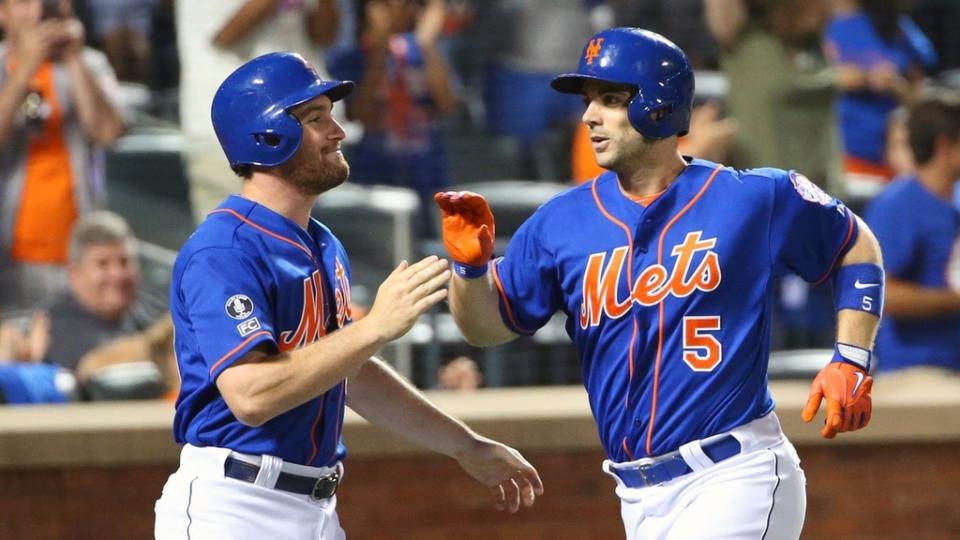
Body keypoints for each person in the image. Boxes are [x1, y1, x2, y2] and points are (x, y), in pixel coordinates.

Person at [435, 28, 882, 538]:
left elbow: (854, 243)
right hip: (637, 495)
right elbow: (486, 329)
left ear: (659, 103)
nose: (588, 116)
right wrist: (469, 271)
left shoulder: (752, 197)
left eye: (610, 99)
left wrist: (851, 356)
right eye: (588, 102)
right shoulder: (560, 222)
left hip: (735, 475)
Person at [154, 52, 543, 539]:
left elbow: (348, 371)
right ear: (269, 134)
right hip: (233, 505)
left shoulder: (321, 242)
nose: (337, 132)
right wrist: (376, 326)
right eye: (316, 119)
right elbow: (251, 395)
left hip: (313, 506)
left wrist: (465, 445)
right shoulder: (224, 249)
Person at [0, 0, 127, 314]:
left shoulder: (90, 64)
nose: (39, 12)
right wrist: (25, 68)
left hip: (79, 255)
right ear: (3, 13)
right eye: (25, 2)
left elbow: (108, 133)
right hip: (8, 251)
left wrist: (73, 58)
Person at [176, 0, 343, 224]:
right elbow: (226, 34)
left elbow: (325, 35)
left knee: (307, 243)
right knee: (233, 242)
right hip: (227, 139)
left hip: (306, 130)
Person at [328, 0, 458, 237]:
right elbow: (357, 113)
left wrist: (425, 46)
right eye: (385, 4)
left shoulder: (423, 54)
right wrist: (380, 51)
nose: (396, 11)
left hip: (427, 171)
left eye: (407, 4)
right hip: (373, 173)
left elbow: (447, 104)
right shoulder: (351, 58)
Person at [863, 91, 960, 375]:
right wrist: (955, 301)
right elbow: (883, 294)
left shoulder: (953, 199)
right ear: (945, 146)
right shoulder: (897, 205)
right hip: (915, 369)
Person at [826, 0, 938, 199]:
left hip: (899, 158)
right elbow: (816, 77)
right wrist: (857, 77)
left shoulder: (901, 27)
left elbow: (919, 96)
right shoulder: (836, 26)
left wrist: (894, 84)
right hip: (850, 155)